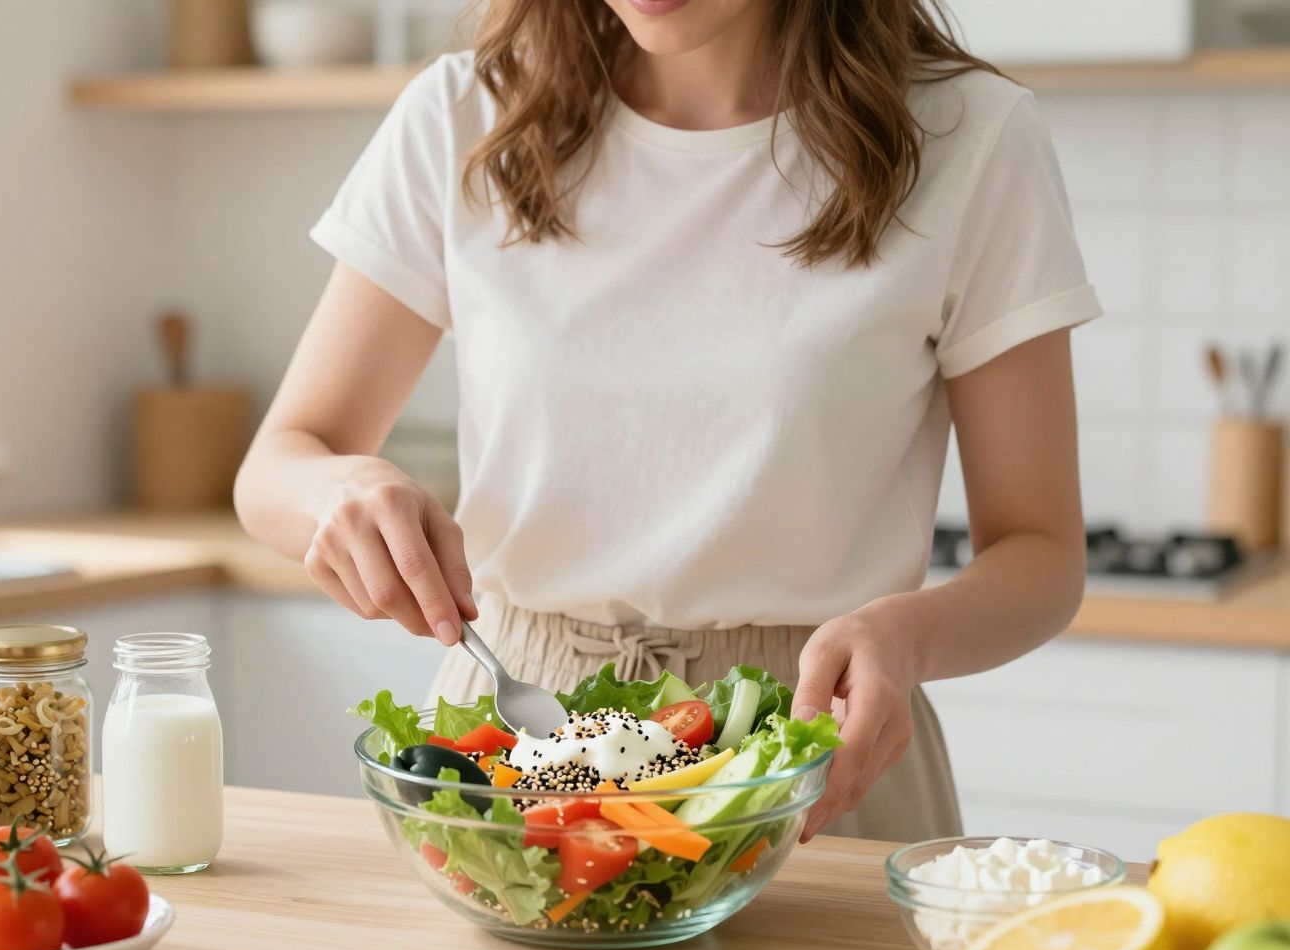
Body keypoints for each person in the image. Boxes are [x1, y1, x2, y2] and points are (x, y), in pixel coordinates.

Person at [234, 0, 1098, 842]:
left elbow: (1040, 552)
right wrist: (341, 488)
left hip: (807, 754)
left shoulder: (968, 136)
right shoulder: (463, 116)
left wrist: (908, 637)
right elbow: (279, 463)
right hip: (511, 752)